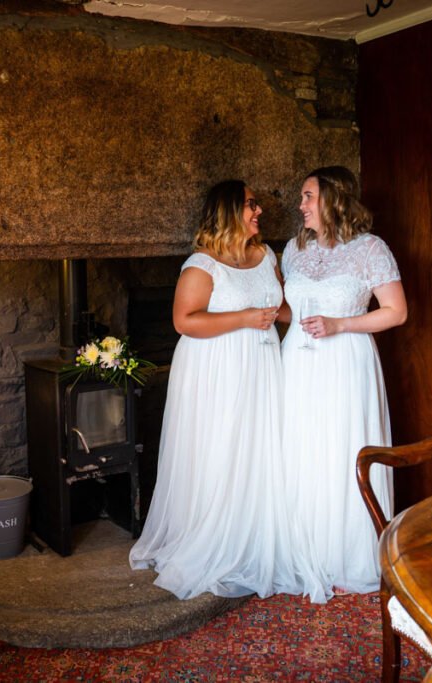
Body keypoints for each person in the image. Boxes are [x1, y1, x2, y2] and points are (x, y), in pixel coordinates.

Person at [129, 180, 299, 600]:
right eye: (250, 204)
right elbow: (185, 321)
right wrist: (244, 317)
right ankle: (211, 536)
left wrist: (314, 313)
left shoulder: (266, 256)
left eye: (256, 204)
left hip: (260, 363)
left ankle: (250, 534)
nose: (258, 211)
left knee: (256, 446)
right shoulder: (201, 265)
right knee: (220, 446)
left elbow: (281, 310)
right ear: (227, 211)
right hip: (215, 367)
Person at [277, 165, 407, 604]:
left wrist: (341, 323)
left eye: (308, 196)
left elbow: (395, 311)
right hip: (295, 362)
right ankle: (300, 549)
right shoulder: (294, 250)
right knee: (300, 449)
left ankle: (345, 557)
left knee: (340, 448)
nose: (301, 205)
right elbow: (289, 310)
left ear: (333, 199)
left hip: (345, 362)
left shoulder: (370, 249)